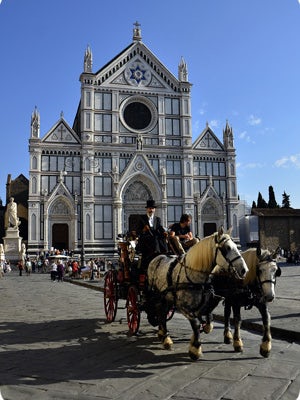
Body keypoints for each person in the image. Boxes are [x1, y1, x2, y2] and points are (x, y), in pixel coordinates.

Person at [136, 199, 168, 268]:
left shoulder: (157, 219)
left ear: (154, 210)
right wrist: (143, 230)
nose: (151, 210)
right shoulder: (142, 219)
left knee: (161, 237)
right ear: (147, 209)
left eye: (153, 208)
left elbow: (160, 228)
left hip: (155, 237)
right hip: (145, 239)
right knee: (155, 239)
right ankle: (156, 252)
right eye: (150, 208)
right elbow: (138, 231)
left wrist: (164, 233)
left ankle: (165, 252)